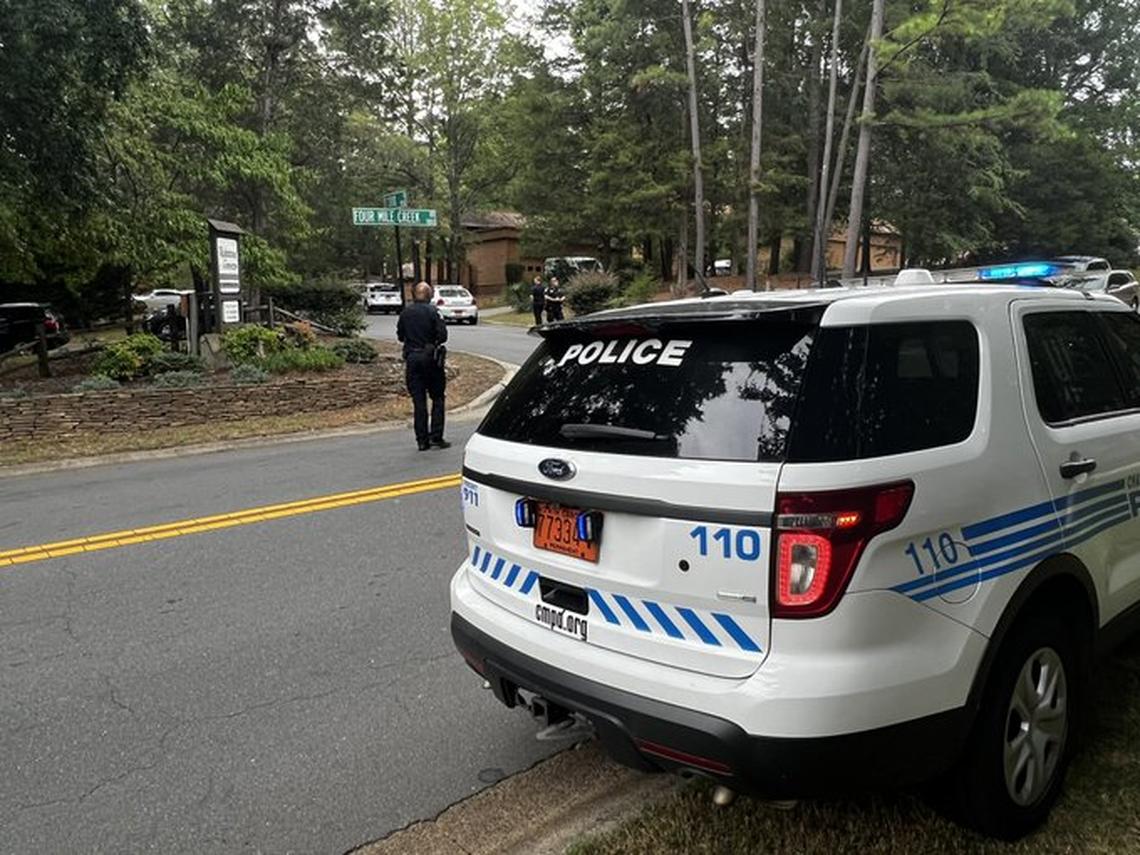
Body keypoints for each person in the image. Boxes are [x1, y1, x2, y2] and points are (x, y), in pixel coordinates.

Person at [396, 281, 450, 451]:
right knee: (437, 397)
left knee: (419, 401)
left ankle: (422, 440)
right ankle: (436, 436)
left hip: (412, 358)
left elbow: (400, 335)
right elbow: (442, 336)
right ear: (429, 295)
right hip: (430, 359)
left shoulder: (405, 313)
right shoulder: (434, 312)